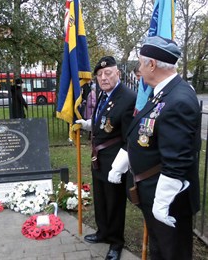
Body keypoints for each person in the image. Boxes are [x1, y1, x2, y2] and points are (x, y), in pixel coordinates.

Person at [119, 36, 201, 259]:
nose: (139, 69)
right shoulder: (164, 93)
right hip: (152, 190)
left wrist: (161, 204)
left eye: (140, 63)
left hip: (169, 200)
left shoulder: (179, 99)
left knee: (171, 252)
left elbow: (177, 160)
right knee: (159, 249)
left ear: (152, 64)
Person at [76, 56, 136, 260]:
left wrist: (120, 166)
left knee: (115, 203)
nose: (103, 77)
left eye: (108, 73)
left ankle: (116, 242)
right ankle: (103, 232)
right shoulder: (103, 94)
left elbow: (130, 137)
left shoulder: (128, 97)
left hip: (115, 161)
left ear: (118, 73)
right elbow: (103, 119)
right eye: (100, 74)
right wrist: (88, 124)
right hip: (99, 157)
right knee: (101, 198)